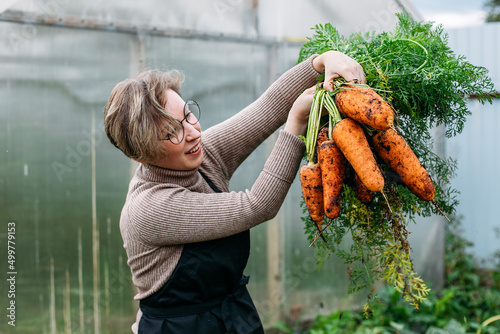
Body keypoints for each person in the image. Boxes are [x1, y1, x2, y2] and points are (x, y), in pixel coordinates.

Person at [103, 51, 365, 334]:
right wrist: (297, 123)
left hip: (231, 317)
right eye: (172, 132)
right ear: (143, 152)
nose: (192, 132)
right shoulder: (150, 208)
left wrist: (321, 62)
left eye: (188, 115)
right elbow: (258, 205)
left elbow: (266, 110)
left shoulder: (199, 154)